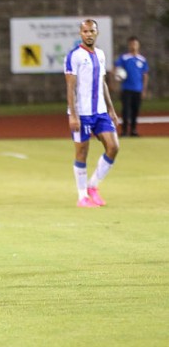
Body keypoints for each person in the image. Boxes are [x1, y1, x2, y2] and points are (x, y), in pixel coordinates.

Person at [64, 19, 120, 208]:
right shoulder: (74, 56)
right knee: (82, 152)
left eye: (92, 31)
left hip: (100, 112)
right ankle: (82, 197)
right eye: (85, 31)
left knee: (113, 147)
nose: (89, 34)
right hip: (83, 113)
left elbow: (102, 83)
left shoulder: (101, 54)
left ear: (97, 33)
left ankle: (93, 186)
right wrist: (73, 114)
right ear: (81, 33)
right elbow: (70, 87)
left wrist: (111, 109)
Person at [114, 36, 149, 137]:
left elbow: (145, 75)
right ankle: (124, 131)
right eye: (131, 44)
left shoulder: (142, 59)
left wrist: (144, 89)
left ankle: (133, 130)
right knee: (126, 110)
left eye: (135, 44)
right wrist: (117, 79)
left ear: (138, 45)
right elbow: (116, 69)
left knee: (135, 110)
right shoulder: (124, 58)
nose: (133, 46)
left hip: (138, 89)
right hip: (126, 89)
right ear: (129, 45)